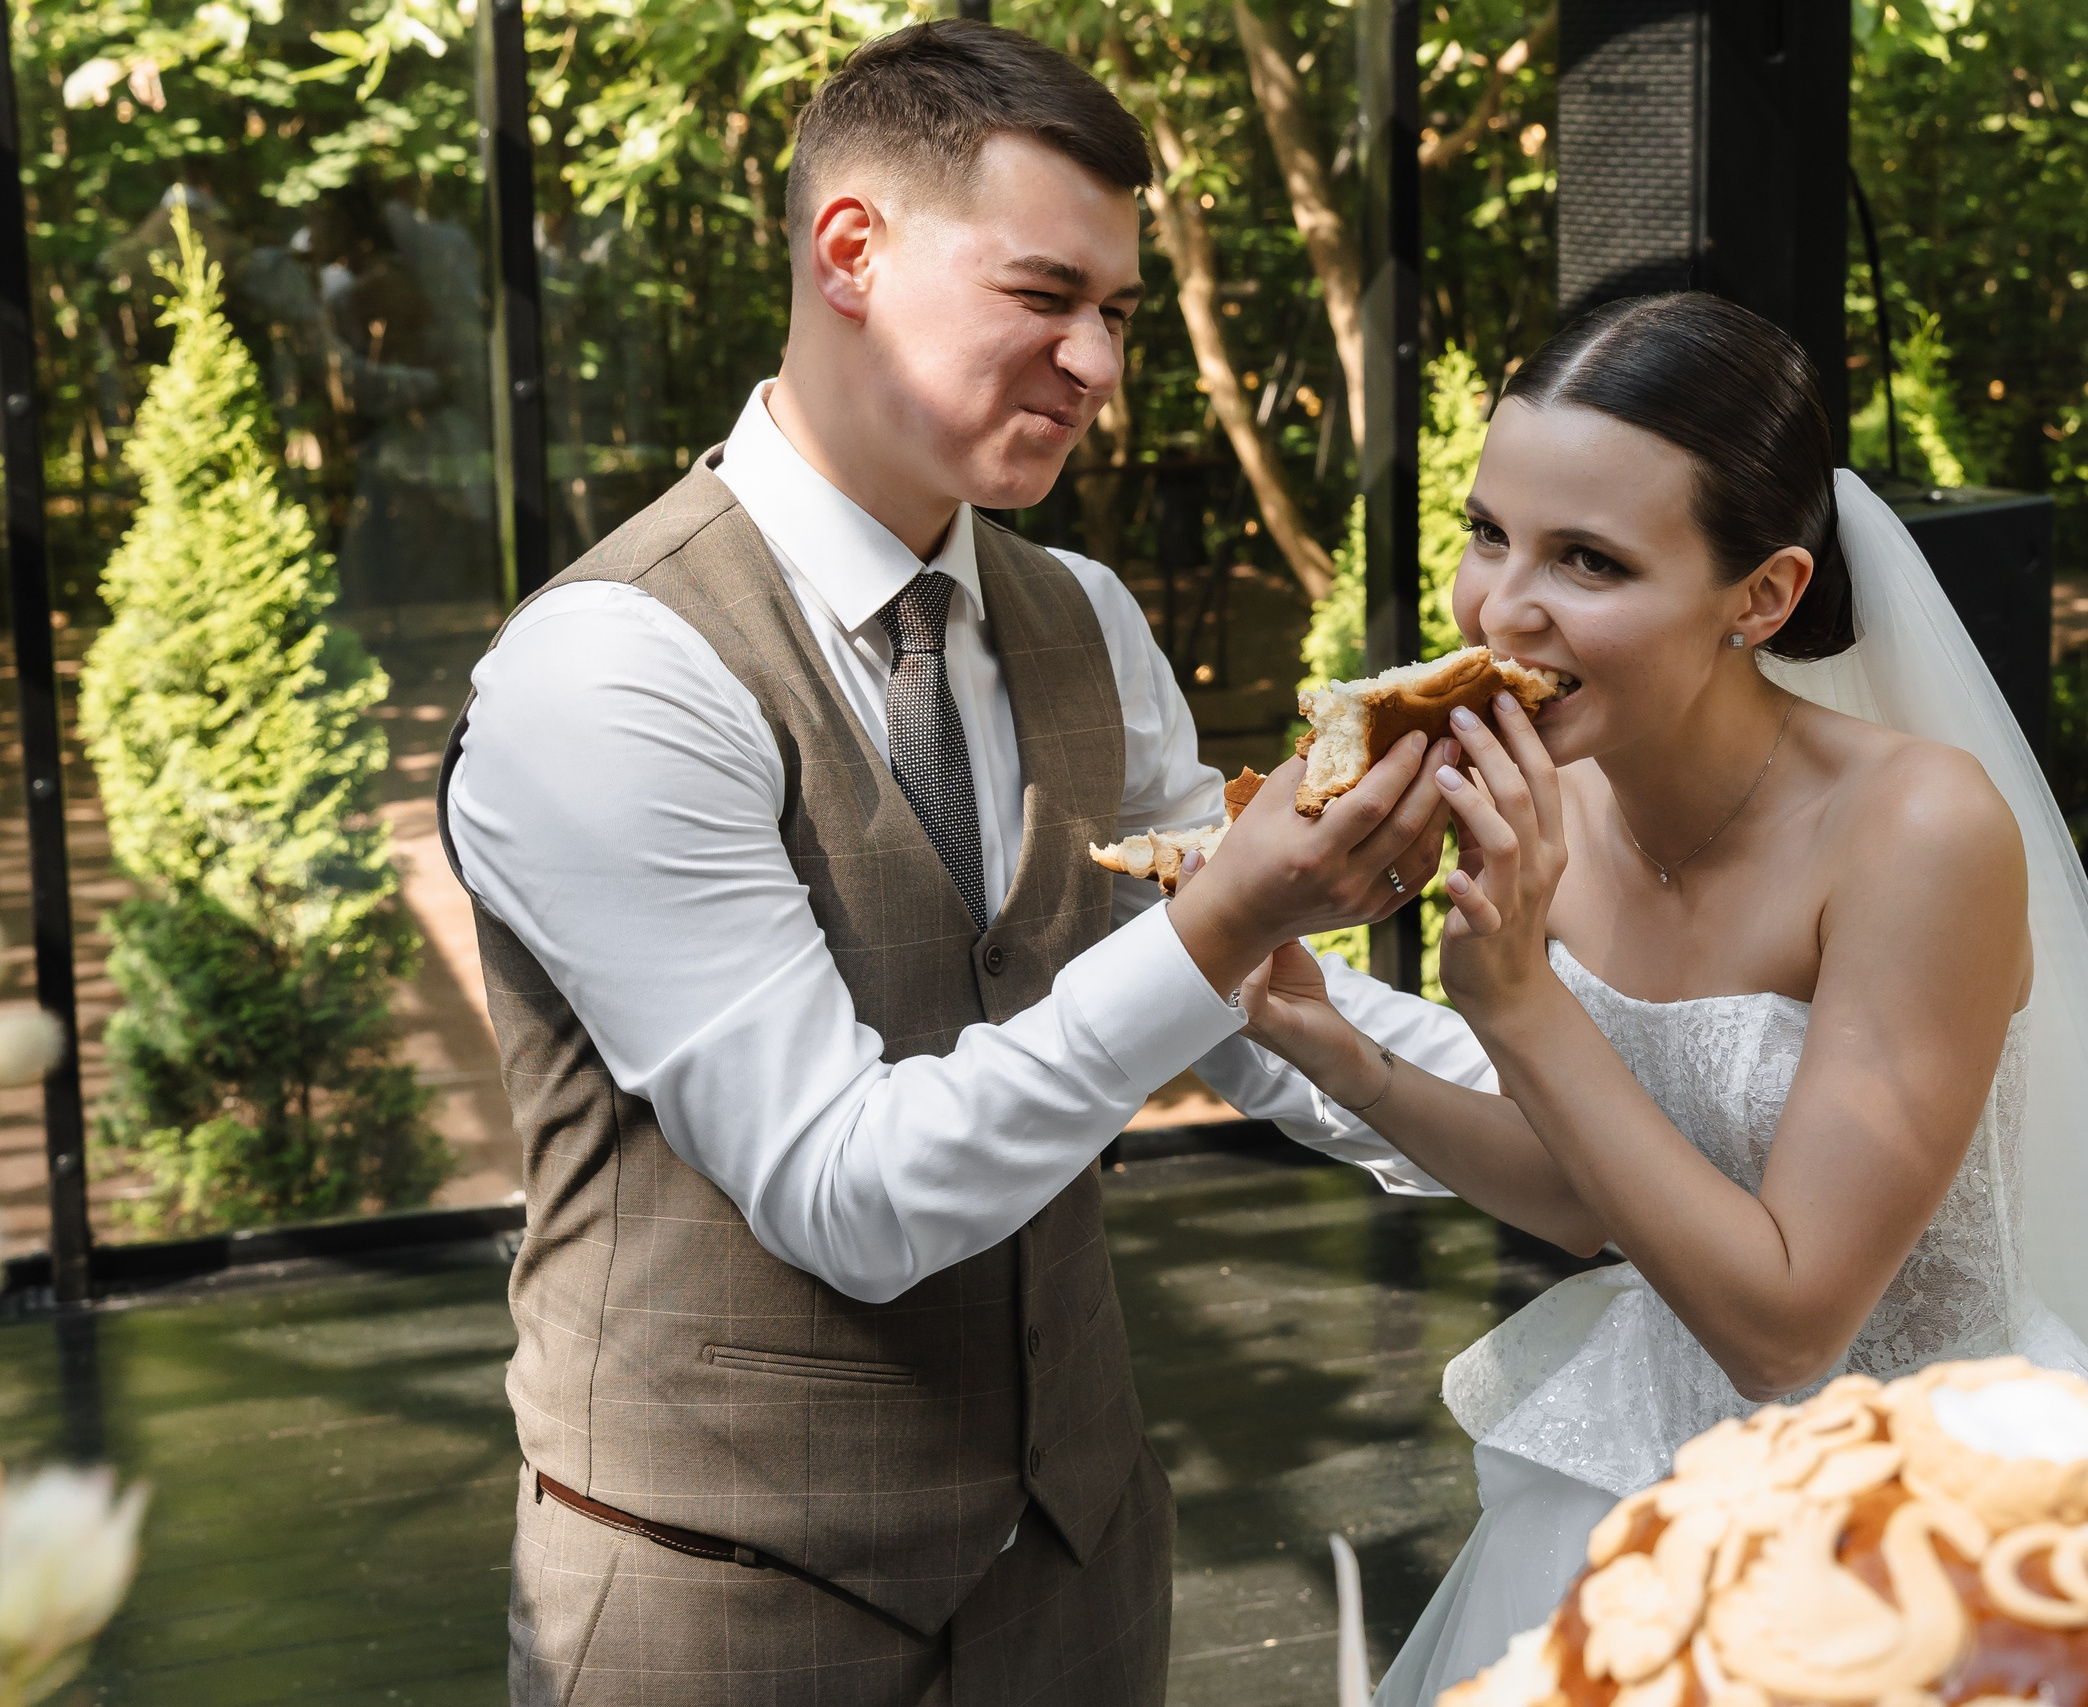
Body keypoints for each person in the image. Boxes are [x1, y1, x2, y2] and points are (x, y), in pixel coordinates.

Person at [435, 23, 1454, 1706]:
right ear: (851, 250)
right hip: (720, 1614)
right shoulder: (608, 673)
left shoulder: (1084, 618)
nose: (1102, 363)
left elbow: (1261, 1016)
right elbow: (852, 1199)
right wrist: (1224, 916)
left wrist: (1608, 1128)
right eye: (1045, 296)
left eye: (1117, 313)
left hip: (1083, 1574)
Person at [1200, 293, 2088, 1704]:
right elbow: (1594, 1195)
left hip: (1919, 1525)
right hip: (1638, 1479)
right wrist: (1338, 1050)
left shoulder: (1918, 832)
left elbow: (1787, 1326)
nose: (1500, 608)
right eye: (1489, 533)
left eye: (1587, 560)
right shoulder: (1562, 798)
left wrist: (1515, 1003)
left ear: (1759, 597)